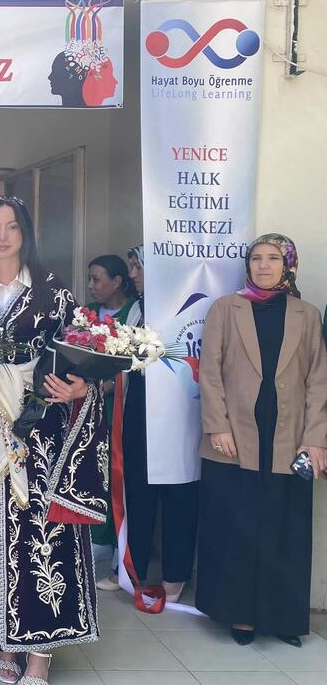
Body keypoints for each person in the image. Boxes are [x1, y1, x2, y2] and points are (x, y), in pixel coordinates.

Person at [0, 196, 108, 685]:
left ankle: (39, 654)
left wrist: (82, 389)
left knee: (42, 532)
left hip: (40, 430)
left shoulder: (54, 294)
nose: (3, 236)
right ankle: (3, 642)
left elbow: (86, 356)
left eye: (12, 227)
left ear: (25, 233)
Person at [197, 233, 327, 647]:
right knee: (238, 527)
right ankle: (241, 616)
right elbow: (210, 371)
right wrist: (218, 426)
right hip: (235, 437)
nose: (264, 266)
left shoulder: (307, 314)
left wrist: (315, 439)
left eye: (273, 258)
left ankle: (283, 617)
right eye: (256, 258)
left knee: (285, 529)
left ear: (288, 265)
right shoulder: (226, 308)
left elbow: (318, 380)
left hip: (289, 438)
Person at [117, 246, 198, 603]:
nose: (133, 274)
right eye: (132, 266)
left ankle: (174, 575)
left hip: (180, 408)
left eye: (139, 267)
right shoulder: (138, 306)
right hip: (141, 406)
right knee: (138, 488)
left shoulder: (184, 304)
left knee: (179, 490)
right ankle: (131, 569)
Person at [85, 253, 137, 580]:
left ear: (117, 282)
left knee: (117, 470)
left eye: (97, 279)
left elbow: (133, 363)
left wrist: (108, 386)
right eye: (90, 279)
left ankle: (117, 540)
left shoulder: (135, 313)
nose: (91, 285)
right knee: (93, 468)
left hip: (119, 405)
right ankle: (97, 536)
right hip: (88, 403)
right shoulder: (87, 314)